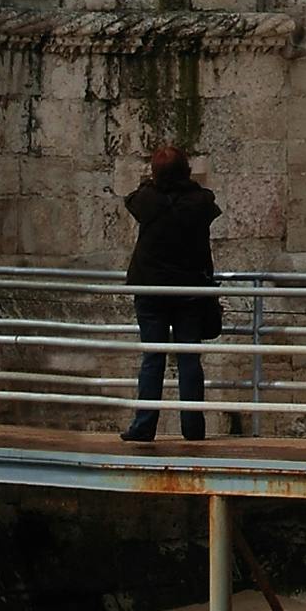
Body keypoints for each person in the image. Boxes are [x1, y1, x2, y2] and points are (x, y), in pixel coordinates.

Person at [121, 138, 224, 444]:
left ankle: (144, 426)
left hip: (152, 290)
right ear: (186, 171)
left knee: (153, 358)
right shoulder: (199, 202)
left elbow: (132, 198)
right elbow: (206, 202)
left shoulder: (147, 200)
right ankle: (192, 428)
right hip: (189, 291)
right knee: (189, 359)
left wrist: (153, 182)